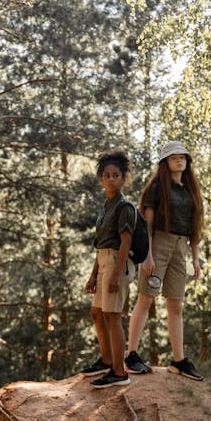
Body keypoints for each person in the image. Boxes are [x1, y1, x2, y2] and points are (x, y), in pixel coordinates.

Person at [125, 140, 205, 381]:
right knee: (146, 299)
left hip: (181, 247)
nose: (179, 160)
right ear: (165, 162)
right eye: (173, 157)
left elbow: (196, 227)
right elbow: (146, 226)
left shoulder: (191, 190)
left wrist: (196, 258)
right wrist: (147, 255)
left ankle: (178, 361)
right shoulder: (157, 187)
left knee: (176, 304)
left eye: (183, 156)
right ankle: (130, 356)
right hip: (158, 244)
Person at [81, 150, 138, 388]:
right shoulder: (106, 206)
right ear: (101, 178)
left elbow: (125, 242)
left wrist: (115, 274)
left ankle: (119, 372)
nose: (111, 179)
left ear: (123, 178)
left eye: (116, 175)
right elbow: (100, 244)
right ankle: (106, 360)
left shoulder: (124, 207)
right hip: (103, 260)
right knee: (97, 313)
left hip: (118, 263)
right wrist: (94, 274)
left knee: (112, 316)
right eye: (107, 175)